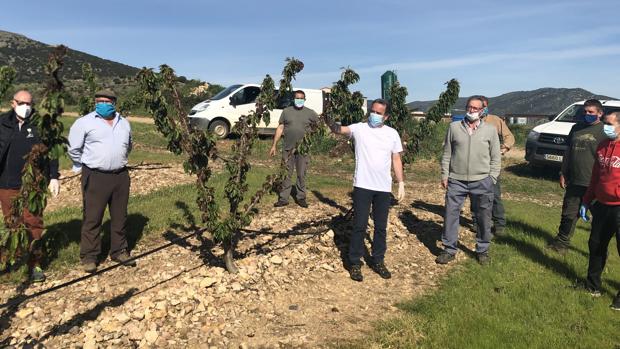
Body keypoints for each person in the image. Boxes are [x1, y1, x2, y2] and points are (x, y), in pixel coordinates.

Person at [326, 99, 405, 281]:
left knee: (380, 227)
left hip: (383, 188)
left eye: (378, 112)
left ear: (386, 116)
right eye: (373, 111)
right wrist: (327, 117)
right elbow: (339, 130)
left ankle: (378, 259)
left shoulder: (392, 134)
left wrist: (400, 182)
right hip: (362, 185)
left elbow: (396, 160)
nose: (374, 115)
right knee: (360, 225)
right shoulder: (359, 128)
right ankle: (354, 262)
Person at [68, 89, 134, 273]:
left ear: (114, 102)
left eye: (106, 101)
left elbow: (128, 146)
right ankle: (90, 256)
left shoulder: (124, 123)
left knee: (120, 215)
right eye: (99, 101)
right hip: (96, 175)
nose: (102, 104)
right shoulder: (84, 122)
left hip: (120, 175)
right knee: (93, 217)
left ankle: (119, 251)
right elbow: (74, 148)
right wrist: (82, 166)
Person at [0, 90, 59, 282]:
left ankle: (35, 264)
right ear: (13, 103)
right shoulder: (2, 123)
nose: (26, 107)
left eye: (30, 104)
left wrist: (53, 176)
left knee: (34, 222)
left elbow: (51, 151)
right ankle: (12, 261)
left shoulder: (40, 125)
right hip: (7, 183)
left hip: (33, 185)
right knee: (12, 224)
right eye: (22, 103)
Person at [437, 96, 501, 265]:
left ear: (482, 111)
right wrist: (445, 175)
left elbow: (496, 157)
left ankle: (482, 250)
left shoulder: (490, 130)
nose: (471, 110)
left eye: (475, 108)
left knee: (483, 217)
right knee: (451, 215)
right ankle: (449, 249)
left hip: (481, 180)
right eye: (469, 107)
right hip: (456, 180)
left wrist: (492, 177)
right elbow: (447, 154)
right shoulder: (454, 127)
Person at [547, 99, 606, 254]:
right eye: (585, 111)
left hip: (595, 184)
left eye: (591, 112)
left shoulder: (605, 131)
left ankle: (599, 251)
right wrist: (563, 173)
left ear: (600, 113)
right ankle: (560, 245)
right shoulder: (576, 128)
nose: (587, 114)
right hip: (575, 181)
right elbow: (568, 152)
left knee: (600, 220)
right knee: (568, 215)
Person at [579, 111, 620, 310]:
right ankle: (592, 286)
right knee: (595, 246)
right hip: (601, 206)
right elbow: (595, 177)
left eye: (610, 124)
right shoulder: (603, 146)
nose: (606, 127)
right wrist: (586, 201)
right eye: (605, 123)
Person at [470, 95, 515, 236]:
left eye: (483, 106)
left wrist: (505, 148)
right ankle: (477, 222)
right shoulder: (468, 121)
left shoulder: (495, 120)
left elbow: (509, 136)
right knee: (475, 195)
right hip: (473, 164)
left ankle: (499, 224)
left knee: (494, 194)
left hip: (490, 164)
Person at [269, 90, 319, 208]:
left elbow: (318, 125)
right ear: (293, 99)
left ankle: (301, 197)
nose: (299, 100)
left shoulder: (310, 113)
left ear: (304, 99)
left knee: (301, 174)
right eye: (297, 98)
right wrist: (274, 145)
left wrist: (311, 134)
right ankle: (283, 198)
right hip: (288, 149)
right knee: (286, 174)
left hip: (303, 149)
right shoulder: (286, 112)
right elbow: (280, 128)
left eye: (301, 98)